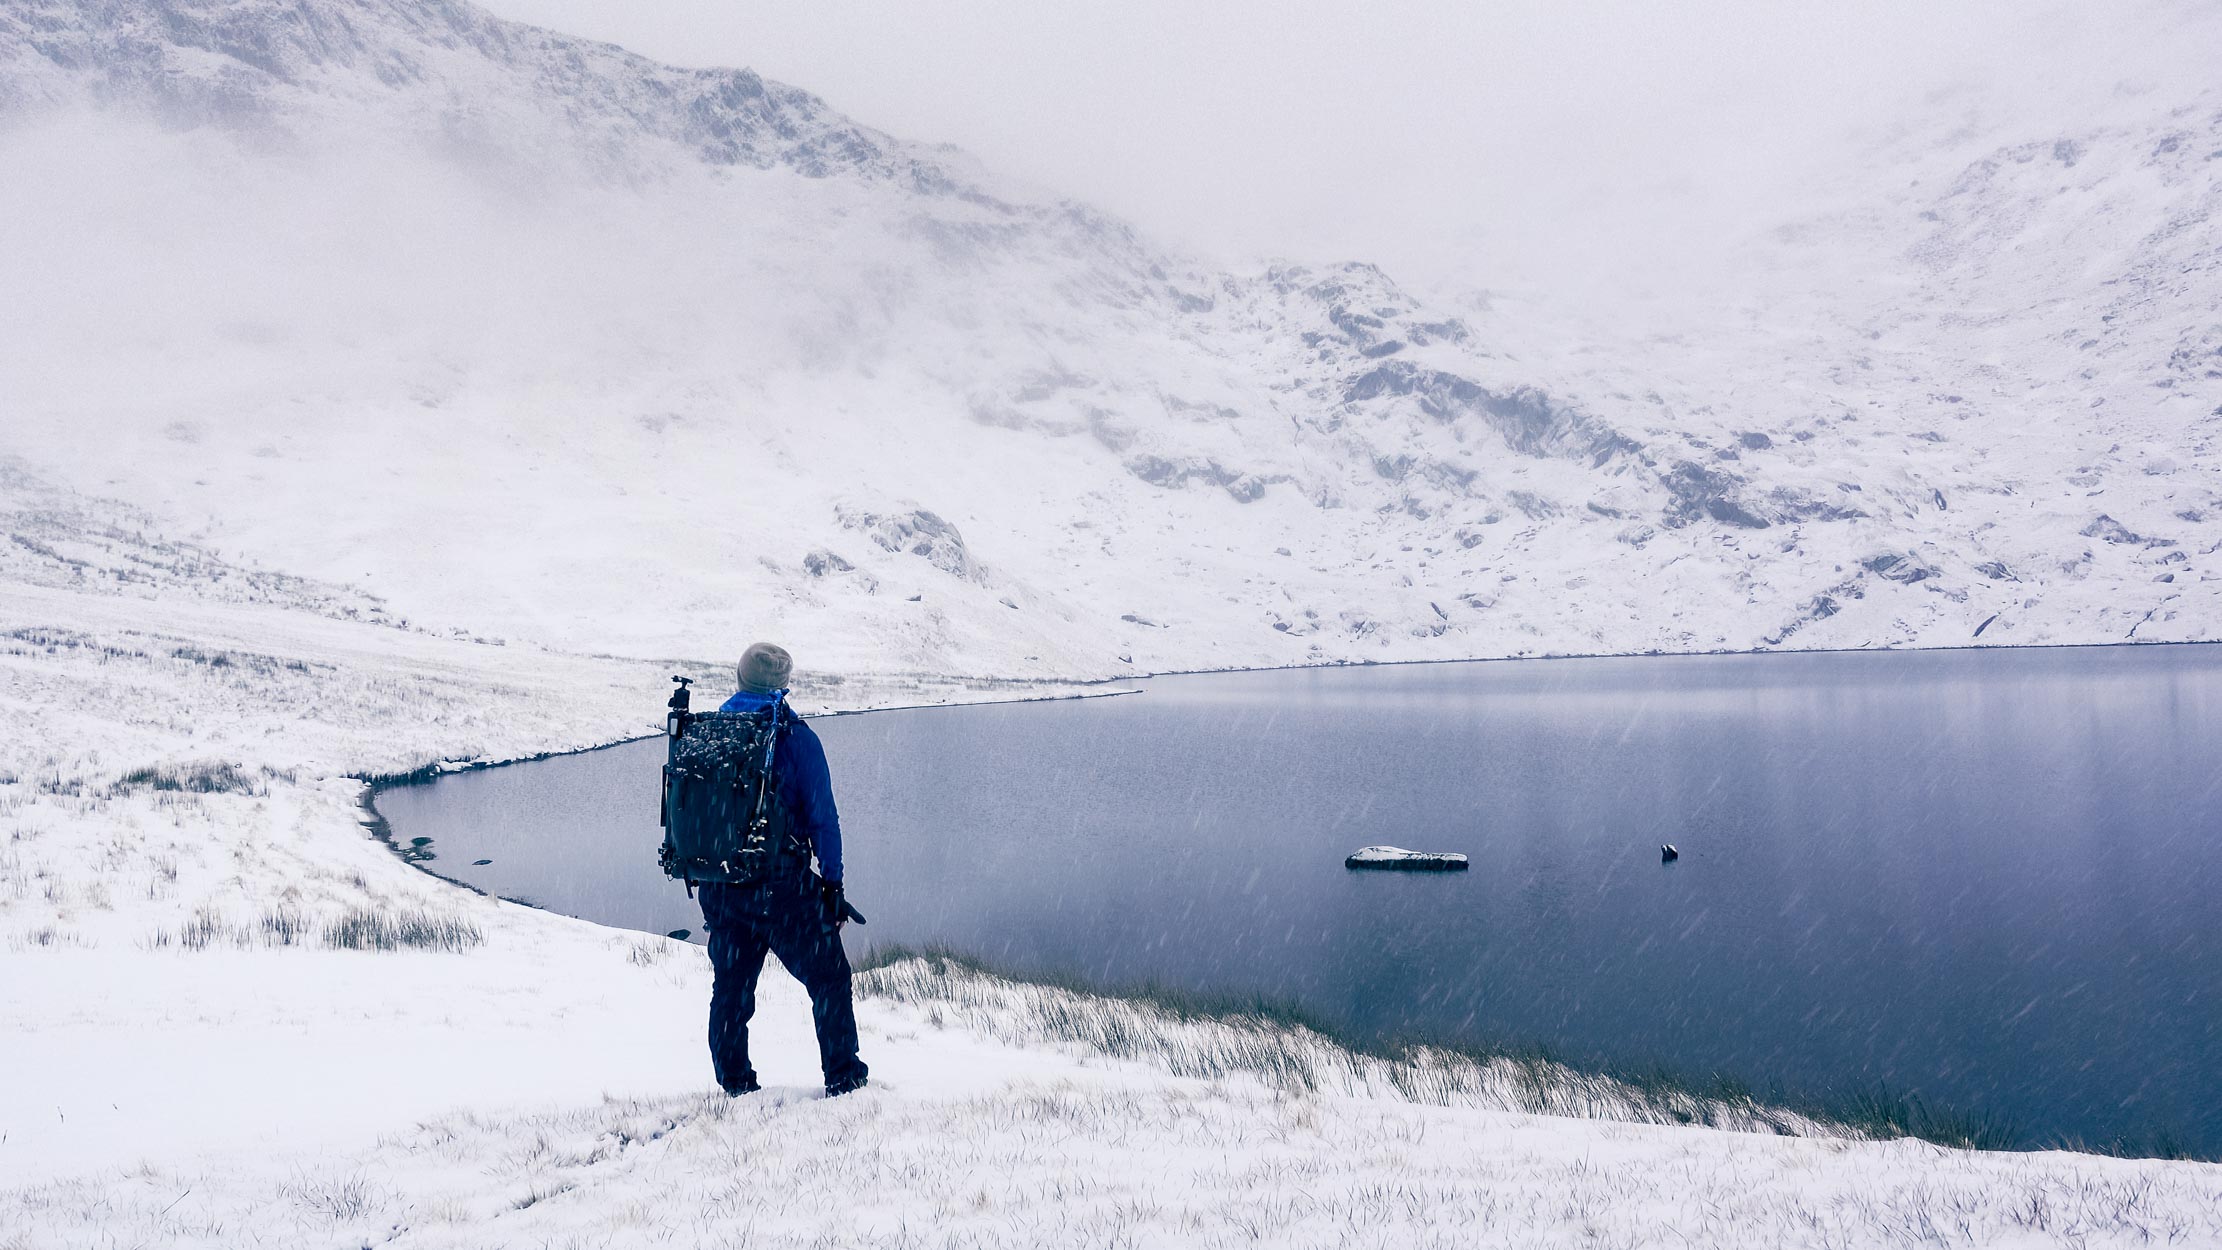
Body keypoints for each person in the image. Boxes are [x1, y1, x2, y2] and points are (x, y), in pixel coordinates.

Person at [697, 642, 869, 1098]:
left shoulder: (711, 732)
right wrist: (832, 884)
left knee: (732, 987)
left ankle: (735, 1084)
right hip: (780, 890)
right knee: (829, 978)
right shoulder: (795, 739)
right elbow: (823, 821)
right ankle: (844, 1077)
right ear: (783, 685)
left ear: (739, 678)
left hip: (720, 883)